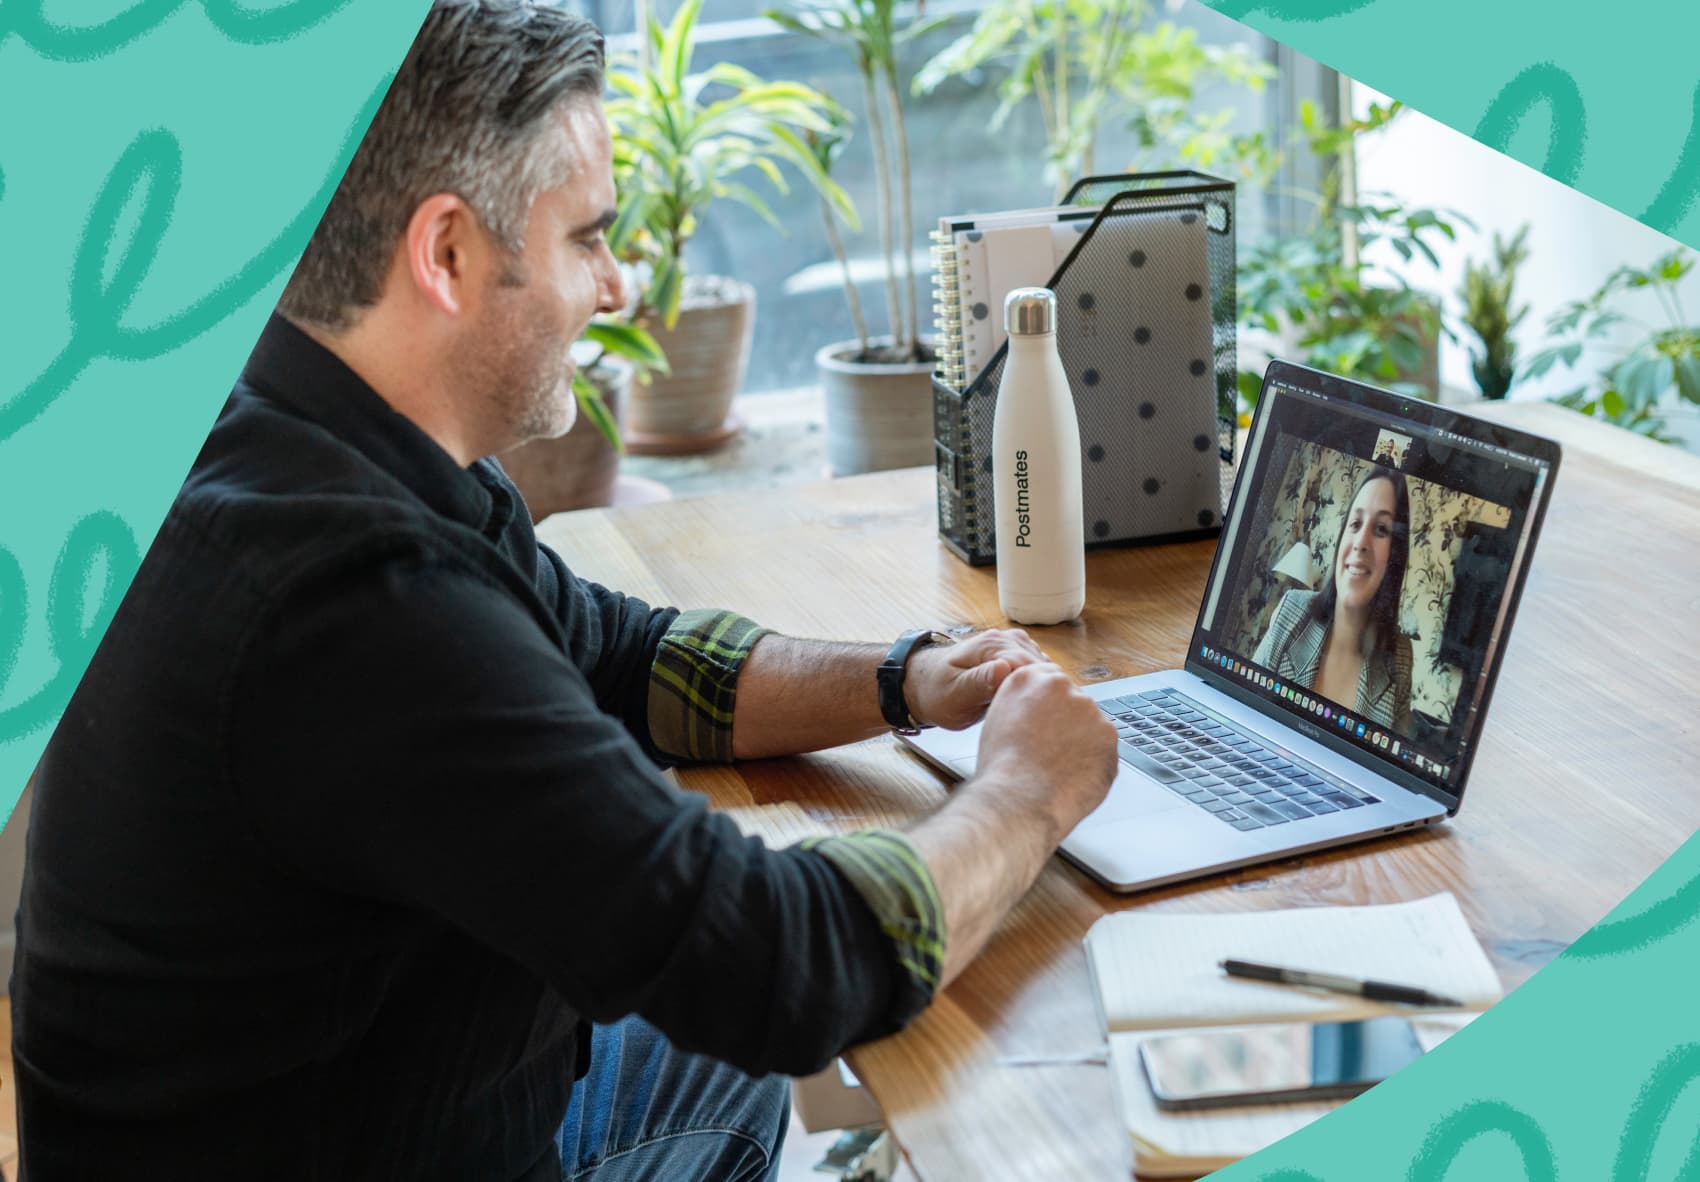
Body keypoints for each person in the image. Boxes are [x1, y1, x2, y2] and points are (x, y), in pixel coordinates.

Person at [8, 4, 1119, 1180]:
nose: (619, 285)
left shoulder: (297, 438)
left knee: (713, 1025)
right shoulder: (354, 607)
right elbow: (776, 969)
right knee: (807, 1015)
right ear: (446, 254)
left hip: (357, 1098)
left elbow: (621, 656)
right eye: (586, 237)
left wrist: (905, 679)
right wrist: (1025, 791)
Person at [1252, 466, 1413, 732]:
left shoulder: (1401, 658)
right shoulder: (1292, 610)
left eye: (1381, 529)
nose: (1361, 542)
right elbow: (1242, 705)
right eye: (1355, 523)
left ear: (1395, 555)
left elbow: (1391, 766)